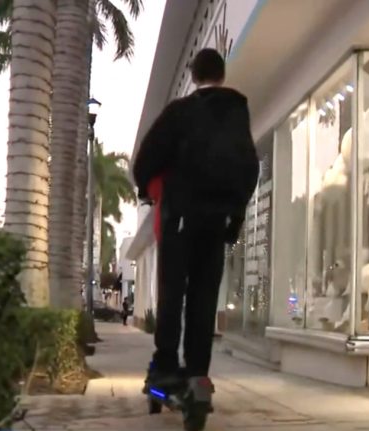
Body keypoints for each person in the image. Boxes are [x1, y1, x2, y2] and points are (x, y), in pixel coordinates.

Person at [133, 48, 259, 401]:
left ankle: (166, 367)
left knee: (173, 293)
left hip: (181, 219)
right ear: (221, 74)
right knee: (204, 298)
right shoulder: (238, 112)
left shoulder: (180, 113)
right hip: (217, 223)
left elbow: (146, 160)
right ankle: (198, 374)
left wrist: (147, 188)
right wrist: (236, 213)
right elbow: (249, 166)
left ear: (193, 75)